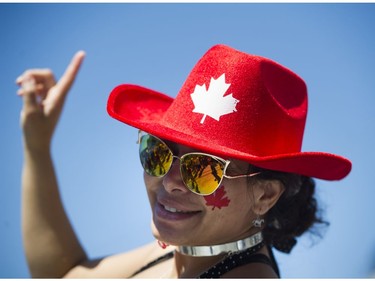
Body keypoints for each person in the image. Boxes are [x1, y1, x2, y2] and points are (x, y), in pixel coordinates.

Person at [17, 44, 351, 278]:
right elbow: (62, 275)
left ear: (265, 195)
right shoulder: (180, 251)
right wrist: (37, 146)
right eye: (158, 153)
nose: (169, 180)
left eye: (202, 169)